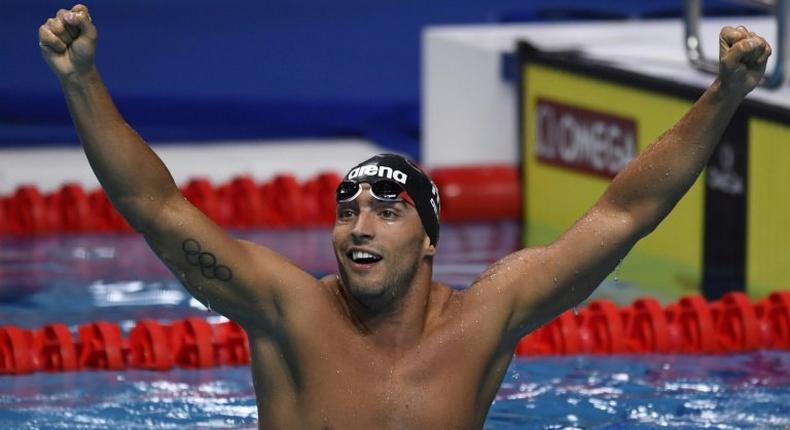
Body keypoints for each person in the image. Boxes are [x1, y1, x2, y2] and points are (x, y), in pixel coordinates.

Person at [39, 4, 771, 429]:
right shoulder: (284, 309)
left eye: (386, 212)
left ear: (426, 242)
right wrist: (83, 81)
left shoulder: (486, 319)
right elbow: (155, 207)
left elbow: (627, 211)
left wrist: (726, 93)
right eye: (347, 210)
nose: (359, 225)